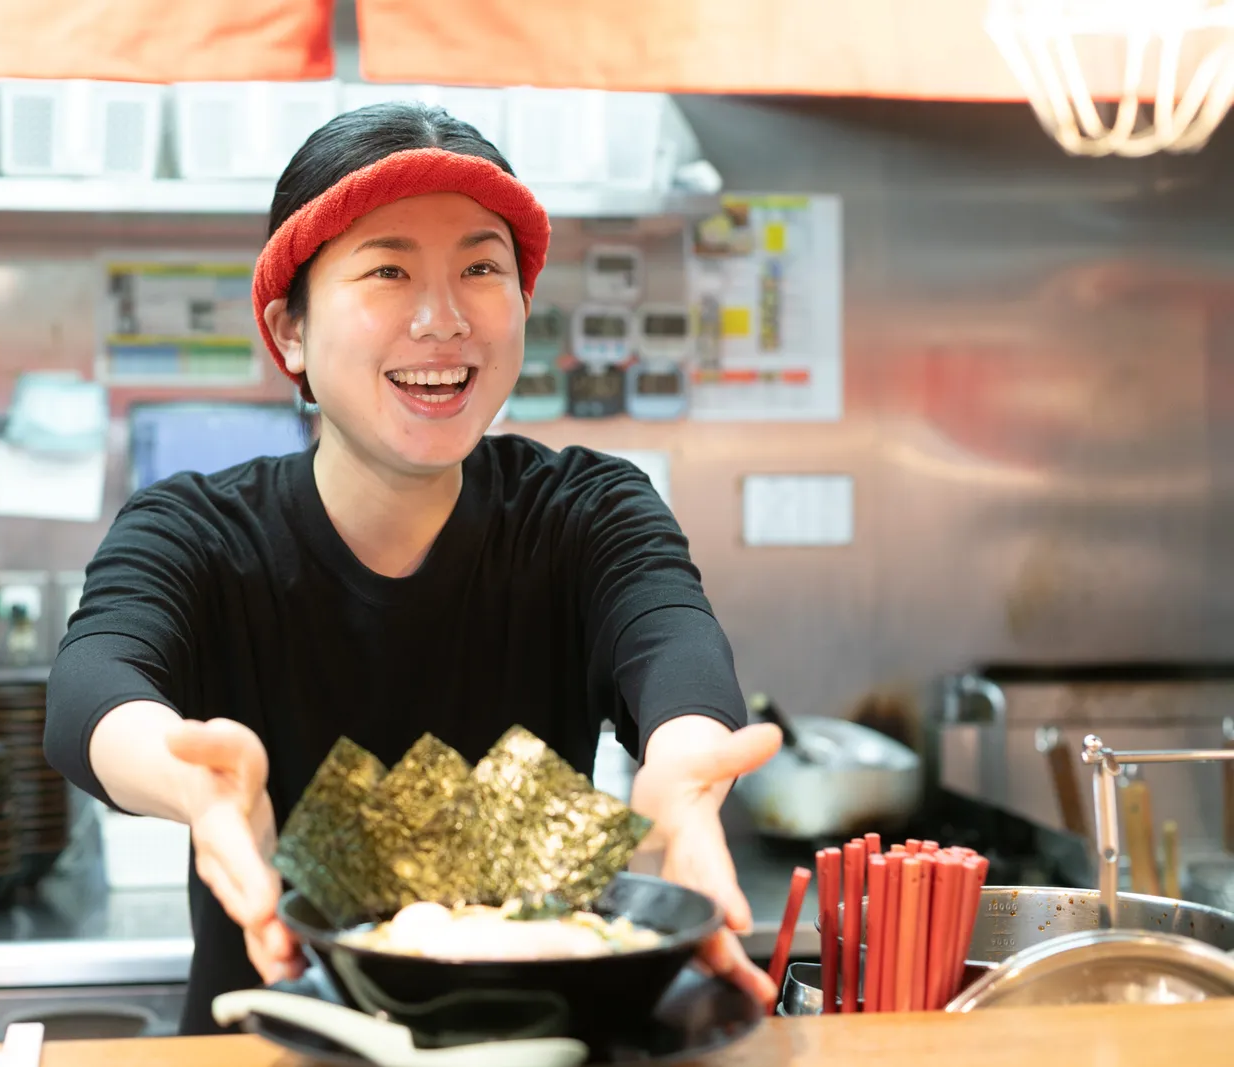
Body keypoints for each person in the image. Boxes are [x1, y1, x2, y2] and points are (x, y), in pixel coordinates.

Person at [45, 101, 783, 1036]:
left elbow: (671, 642)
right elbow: (88, 692)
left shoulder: (583, 513)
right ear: (292, 330)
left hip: (540, 1048)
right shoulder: (196, 530)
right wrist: (190, 781)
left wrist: (681, 770)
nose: (442, 318)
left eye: (482, 267)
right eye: (388, 269)